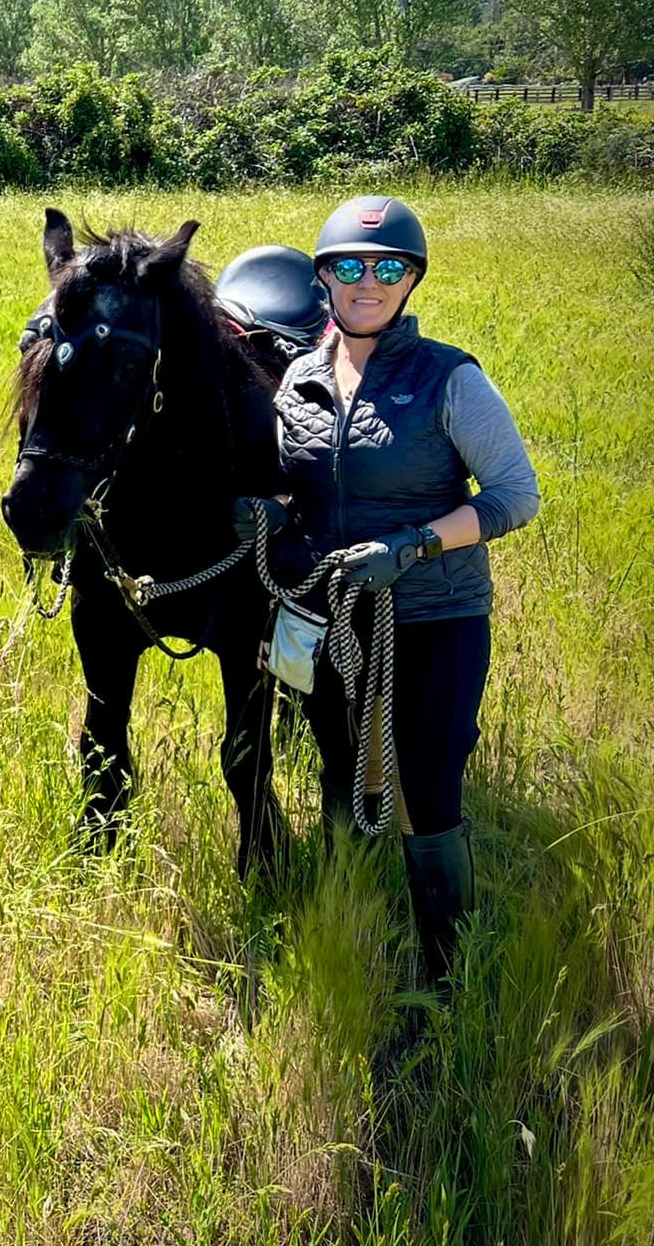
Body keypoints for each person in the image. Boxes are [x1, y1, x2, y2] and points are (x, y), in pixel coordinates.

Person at [233, 196, 540, 989]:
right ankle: (355, 915)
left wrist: (415, 545)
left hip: (434, 613)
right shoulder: (296, 379)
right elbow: (297, 488)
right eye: (349, 267)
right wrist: (267, 512)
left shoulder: (450, 376)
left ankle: (447, 968)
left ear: (411, 281)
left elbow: (514, 495)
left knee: (429, 784)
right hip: (329, 613)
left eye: (388, 267)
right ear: (322, 279)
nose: (367, 281)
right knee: (337, 766)